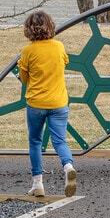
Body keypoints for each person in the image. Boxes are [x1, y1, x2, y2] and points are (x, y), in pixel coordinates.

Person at [17, 11, 76, 197]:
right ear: (51, 26)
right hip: (59, 101)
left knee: (35, 141)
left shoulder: (28, 51)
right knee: (59, 140)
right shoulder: (59, 47)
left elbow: (24, 78)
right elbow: (64, 63)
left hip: (36, 102)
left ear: (29, 29)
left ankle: (38, 183)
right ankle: (68, 167)